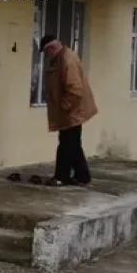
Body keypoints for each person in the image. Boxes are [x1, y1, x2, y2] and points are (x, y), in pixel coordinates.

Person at [39, 34, 97, 186]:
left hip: (72, 111)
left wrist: (64, 107)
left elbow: (75, 90)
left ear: (51, 48)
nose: (46, 56)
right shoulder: (61, 58)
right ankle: (82, 176)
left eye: (46, 52)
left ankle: (61, 177)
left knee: (66, 144)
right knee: (72, 144)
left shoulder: (66, 60)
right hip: (72, 110)